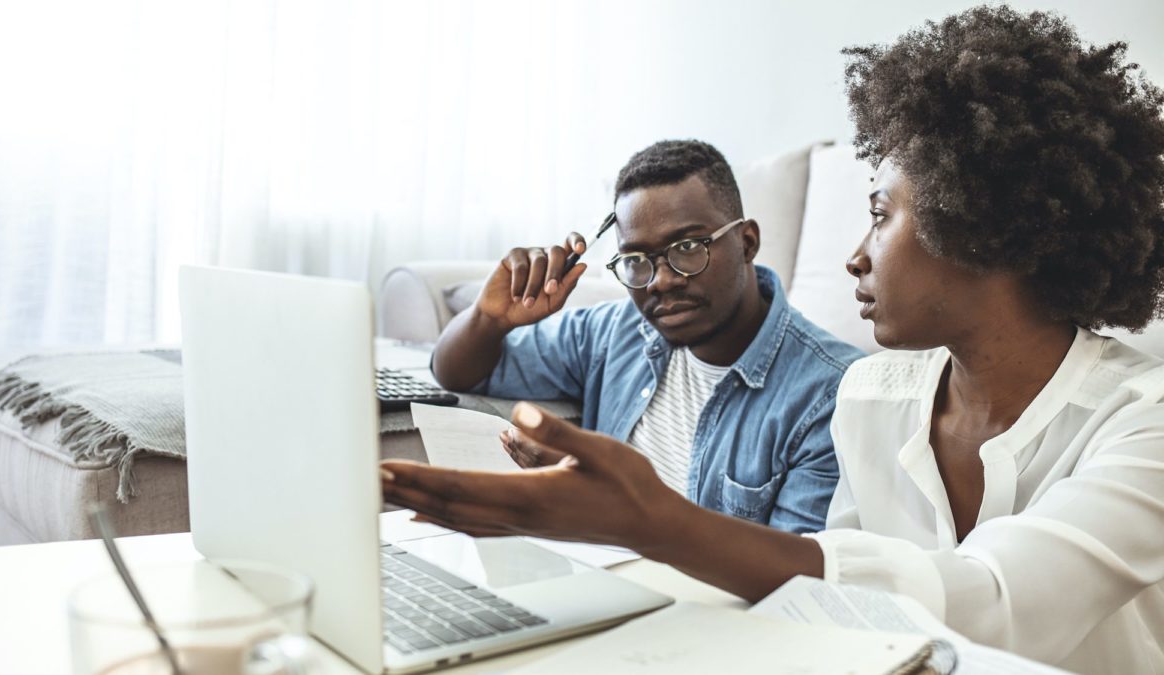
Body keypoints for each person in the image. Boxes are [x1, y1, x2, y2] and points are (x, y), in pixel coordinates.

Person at [383, 6, 1164, 672]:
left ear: (986, 227)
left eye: (881, 214)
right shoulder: (875, 398)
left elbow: (995, 603)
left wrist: (646, 517)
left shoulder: (1143, 421)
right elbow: (833, 612)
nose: (855, 253)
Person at [431, 139, 862, 532]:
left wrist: (600, 499)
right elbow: (456, 372)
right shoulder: (613, 334)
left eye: (688, 248)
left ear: (747, 242)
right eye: (636, 259)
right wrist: (490, 319)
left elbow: (797, 575)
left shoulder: (829, 394)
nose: (659, 281)